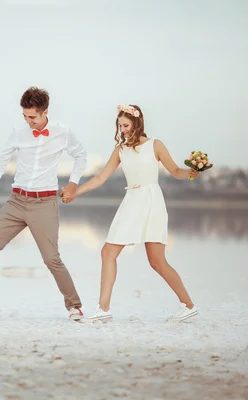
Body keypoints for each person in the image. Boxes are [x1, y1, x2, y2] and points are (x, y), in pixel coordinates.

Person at [0, 86, 87, 320]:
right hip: (16, 201)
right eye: (24, 116)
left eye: (32, 117)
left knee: (51, 259)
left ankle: (74, 306)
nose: (28, 121)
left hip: (44, 203)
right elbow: (0, 159)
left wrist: (73, 184)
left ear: (45, 112)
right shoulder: (18, 131)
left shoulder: (63, 132)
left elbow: (81, 156)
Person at [61, 104, 198, 323]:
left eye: (126, 125)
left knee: (157, 261)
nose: (123, 129)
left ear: (137, 122)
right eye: (120, 126)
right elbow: (100, 178)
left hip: (151, 200)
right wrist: (75, 192)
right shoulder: (120, 150)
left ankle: (188, 306)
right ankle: (103, 309)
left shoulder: (156, 145)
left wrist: (191, 172)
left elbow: (175, 171)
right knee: (108, 252)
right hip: (131, 201)